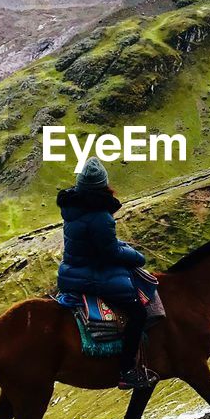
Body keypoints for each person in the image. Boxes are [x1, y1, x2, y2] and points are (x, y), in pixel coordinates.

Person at [57, 158, 156, 390]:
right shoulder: (100, 216)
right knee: (138, 313)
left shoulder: (73, 207)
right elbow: (110, 251)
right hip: (94, 276)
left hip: (73, 271)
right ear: (103, 185)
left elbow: (99, 243)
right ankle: (127, 370)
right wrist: (136, 256)